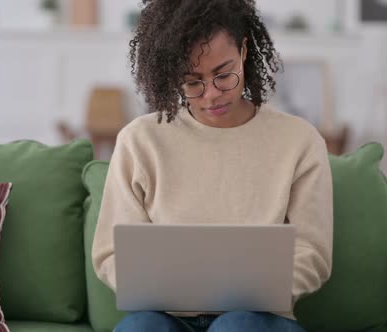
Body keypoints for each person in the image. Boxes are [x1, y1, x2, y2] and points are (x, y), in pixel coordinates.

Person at [92, 0, 333, 331]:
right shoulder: (140, 141)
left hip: (256, 318)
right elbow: (110, 253)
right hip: (164, 316)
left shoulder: (299, 141)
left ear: (244, 51)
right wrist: (169, 290)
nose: (210, 96)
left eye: (224, 75)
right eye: (192, 82)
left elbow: (313, 252)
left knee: (236, 327)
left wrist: (255, 292)